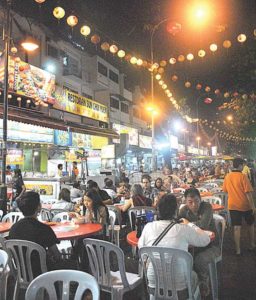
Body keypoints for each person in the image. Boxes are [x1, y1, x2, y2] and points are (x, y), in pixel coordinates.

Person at [138, 194, 210, 299]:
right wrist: (190, 224)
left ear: (158, 210)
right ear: (176, 211)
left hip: (154, 286)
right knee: (194, 276)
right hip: (179, 289)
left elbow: (142, 251)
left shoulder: (148, 227)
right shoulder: (182, 229)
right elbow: (205, 239)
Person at [178, 188, 220, 297]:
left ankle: (204, 287)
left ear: (200, 199)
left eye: (196, 201)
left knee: (199, 260)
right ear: (185, 202)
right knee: (184, 259)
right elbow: (177, 225)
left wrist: (187, 223)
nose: (194, 205)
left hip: (211, 246)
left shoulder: (207, 207)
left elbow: (203, 225)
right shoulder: (183, 211)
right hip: (192, 246)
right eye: (190, 202)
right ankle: (191, 288)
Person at [9, 191, 61, 275]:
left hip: (21, 273)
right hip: (43, 274)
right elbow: (57, 255)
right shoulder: (44, 229)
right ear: (39, 207)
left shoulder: (14, 228)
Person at [223, 157, 255, 255]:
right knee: (250, 225)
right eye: (243, 165)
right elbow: (248, 193)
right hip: (245, 205)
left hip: (233, 205)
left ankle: (238, 250)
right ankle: (252, 244)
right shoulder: (243, 176)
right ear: (240, 165)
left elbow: (225, 190)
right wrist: (253, 206)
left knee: (236, 227)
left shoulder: (227, 176)